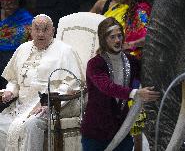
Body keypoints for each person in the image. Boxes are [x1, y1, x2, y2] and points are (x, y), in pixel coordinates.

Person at [0, 14, 82, 150]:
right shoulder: (22, 49)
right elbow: (14, 79)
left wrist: (48, 103)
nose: (40, 33)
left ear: (53, 31)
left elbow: (70, 84)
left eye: (45, 29)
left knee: (31, 125)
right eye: (37, 29)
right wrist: (10, 91)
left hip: (48, 107)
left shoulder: (65, 51)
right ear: (30, 31)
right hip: (20, 106)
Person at [80, 17, 159, 151]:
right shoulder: (95, 64)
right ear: (104, 39)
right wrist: (135, 93)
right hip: (96, 133)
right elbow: (107, 87)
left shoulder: (132, 61)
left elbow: (149, 78)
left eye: (119, 35)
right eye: (112, 37)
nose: (117, 40)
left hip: (122, 130)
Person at [0, 0, 33, 93]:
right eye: (4, 1)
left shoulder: (27, 20)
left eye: (11, 1)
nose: (7, 5)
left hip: (13, 62)